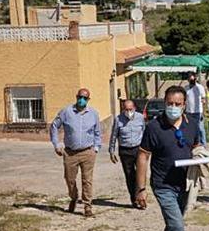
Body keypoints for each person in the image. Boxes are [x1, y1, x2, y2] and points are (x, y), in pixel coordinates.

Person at [136, 85, 203, 231]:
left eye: (177, 104)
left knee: (174, 225)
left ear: (184, 105)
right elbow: (142, 156)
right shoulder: (154, 127)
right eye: (169, 104)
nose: (173, 107)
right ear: (165, 103)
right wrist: (140, 188)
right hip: (163, 184)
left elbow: (196, 145)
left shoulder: (192, 124)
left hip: (185, 183)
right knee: (177, 225)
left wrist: (201, 154)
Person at [49, 88, 103, 217]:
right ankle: (73, 197)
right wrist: (56, 144)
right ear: (76, 97)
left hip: (88, 152)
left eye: (85, 98)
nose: (82, 100)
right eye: (80, 97)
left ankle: (87, 206)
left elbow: (97, 132)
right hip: (70, 153)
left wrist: (96, 148)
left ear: (88, 100)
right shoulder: (66, 112)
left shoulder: (93, 113)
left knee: (87, 180)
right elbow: (54, 126)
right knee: (69, 179)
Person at [109, 98, 146, 208]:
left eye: (130, 109)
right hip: (125, 150)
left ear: (134, 108)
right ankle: (134, 199)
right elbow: (114, 135)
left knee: (140, 175)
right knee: (130, 175)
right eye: (126, 109)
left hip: (138, 149)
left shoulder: (140, 118)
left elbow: (144, 133)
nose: (128, 111)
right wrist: (111, 151)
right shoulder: (118, 119)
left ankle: (142, 197)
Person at [183, 72, 208, 146]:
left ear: (195, 79)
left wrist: (203, 112)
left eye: (192, 79)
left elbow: (203, 100)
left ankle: (203, 144)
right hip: (189, 111)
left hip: (198, 111)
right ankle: (193, 143)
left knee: (200, 128)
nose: (191, 81)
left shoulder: (200, 87)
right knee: (190, 128)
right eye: (189, 79)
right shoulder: (186, 88)